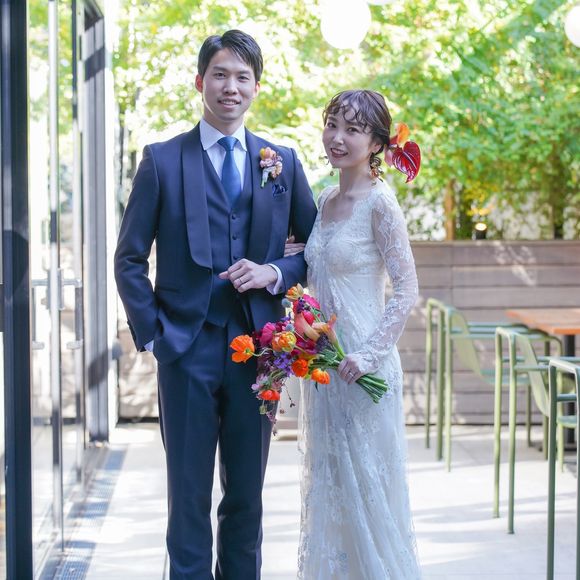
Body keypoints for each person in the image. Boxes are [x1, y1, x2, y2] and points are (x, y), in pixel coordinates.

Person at [114, 30, 317, 579]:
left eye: (242, 77)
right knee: (187, 498)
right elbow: (129, 258)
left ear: (256, 87)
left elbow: (316, 249)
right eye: (220, 75)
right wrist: (153, 334)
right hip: (185, 349)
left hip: (260, 353)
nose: (231, 87)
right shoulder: (161, 161)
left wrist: (275, 272)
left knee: (247, 498)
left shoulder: (282, 162)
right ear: (200, 81)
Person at [297, 90, 422, 578]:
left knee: (369, 496)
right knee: (333, 491)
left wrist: (369, 355)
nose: (337, 137)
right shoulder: (325, 200)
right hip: (329, 368)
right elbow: (319, 270)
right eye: (332, 124)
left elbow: (407, 287)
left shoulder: (380, 204)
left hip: (365, 370)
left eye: (352, 129)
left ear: (376, 144)